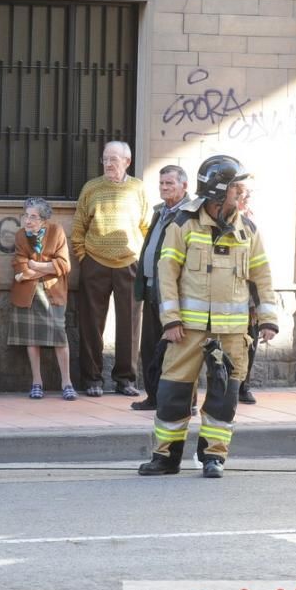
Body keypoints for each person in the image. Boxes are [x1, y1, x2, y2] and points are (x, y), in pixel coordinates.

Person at [138, 155, 278, 479]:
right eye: (238, 188)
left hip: (231, 334)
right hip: (186, 331)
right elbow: (166, 273)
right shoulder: (183, 224)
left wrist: (268, 319)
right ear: (219, 191)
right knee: (172, 393)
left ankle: (213, 457)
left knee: (223, 398)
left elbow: (263, 276)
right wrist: (170, 320)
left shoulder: (249, 230)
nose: (245, 194)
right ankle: (165, 457)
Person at [70, 141, 149, 397]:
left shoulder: (137, 188)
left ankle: (125, 379)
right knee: (91, 323)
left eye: (114, 159)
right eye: (105, 158)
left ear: (128, 161)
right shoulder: (91, 188)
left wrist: (142, 256)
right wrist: (83, 257)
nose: (108, 163)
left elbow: (146, 226)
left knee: (130, 323)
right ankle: (91, 379)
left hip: (129, 262)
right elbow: (79, 228)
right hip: (95, 261)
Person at [131, 165, 192, 412]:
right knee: (150, 348)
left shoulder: (189, 215)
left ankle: (186, 401)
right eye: (162, 184)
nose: (164, 188)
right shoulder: (160, 211)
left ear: (184, 186)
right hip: (151, 289)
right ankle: (153, 396)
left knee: (178, 350)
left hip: (173, 294)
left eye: (170, 184)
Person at [8, 197, 75, 400]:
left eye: (33, 217)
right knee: (32, 338)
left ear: (44, 220)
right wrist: (46, 268)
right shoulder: (21, 235)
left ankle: (67, 383)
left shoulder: (57, 232)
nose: (28, 221)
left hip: (52, 293)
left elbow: (64, 265)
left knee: (59, 337)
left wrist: (36, 267)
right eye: (26, 216)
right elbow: (19, 265)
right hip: (28, 293)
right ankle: (37, 382)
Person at [236, 179, 260, 405]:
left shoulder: (251, 222)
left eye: (249, 195)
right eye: (244, 194)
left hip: (251, 294)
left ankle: (245, 385)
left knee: (251, 341)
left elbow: (261, 265)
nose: (246, 199)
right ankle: (233, 384)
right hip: (232, 293)